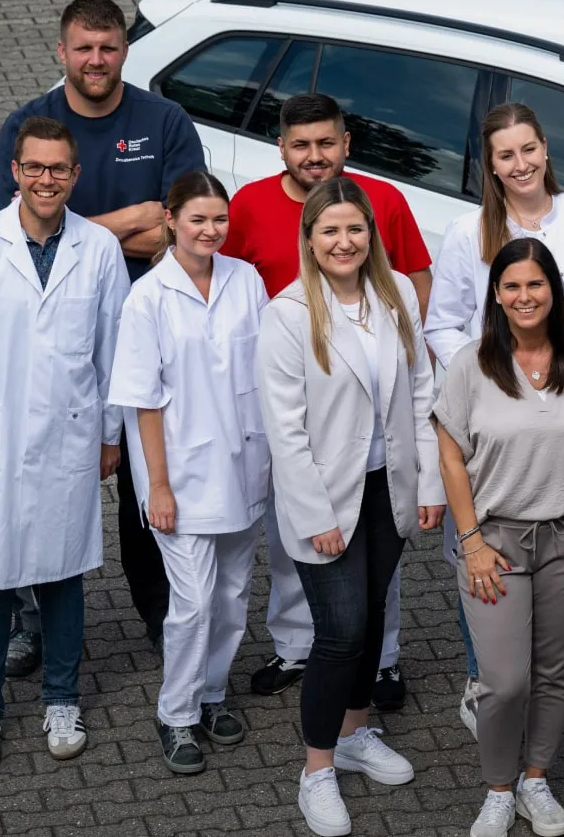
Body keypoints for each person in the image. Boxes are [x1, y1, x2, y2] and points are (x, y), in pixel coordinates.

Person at [0, 0, 207, 671]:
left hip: (152, 331)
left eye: (107, 47)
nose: (95, 60)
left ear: (124, 51)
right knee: (43, 484)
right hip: (56, 336)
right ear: (62, 51)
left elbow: (182, 229)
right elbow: (20, 236)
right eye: (83, 48)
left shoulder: (164, 121)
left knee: (149, 481)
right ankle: (32, 619)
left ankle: (162, 614)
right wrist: (134, 217)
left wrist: (81, 229)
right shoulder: (28, 126)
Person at [0, 116, 128, 771]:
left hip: (70, 435)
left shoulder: (99, 248)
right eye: (34, 167)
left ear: (75, 175)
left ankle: (61, 699)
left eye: (58, 168)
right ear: (15, 171)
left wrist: (111, 434)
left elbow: (115, 348)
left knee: (64, 575)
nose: (46, 179)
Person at [223, 92, 435, 706]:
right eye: (301, 144)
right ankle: (297, 647)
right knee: (297, 538)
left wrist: (394, 351)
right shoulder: (250, 204)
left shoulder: (382, 200)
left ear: (346, 142)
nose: (314, 155)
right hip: (293, 391)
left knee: (377, 558)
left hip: (368, 391)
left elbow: (415, 278)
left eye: (325, 142)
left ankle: (382, 660)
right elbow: (231, 284)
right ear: (281, 148)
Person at [424, 102, 564, 732]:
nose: (521, 164)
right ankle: (483, 675)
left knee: (562, 544)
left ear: (546, 149)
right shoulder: (468, 232)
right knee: (489, 544)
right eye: (505, 155)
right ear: (490, 166)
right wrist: (489, 378)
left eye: (528, 149)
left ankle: (549, 672)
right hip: (500, 420)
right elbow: (442, 322)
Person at [258, 177, 442, 837]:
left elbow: (421, 393)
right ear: (309, 239)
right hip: (326, 499)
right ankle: (317, 769)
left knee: (370, 617)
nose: (344, 241)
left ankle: (357, 732)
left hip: (386, 488)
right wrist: (316, 517)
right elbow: (285, 430)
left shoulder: (395, 300)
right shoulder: (287, 314)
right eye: (330, 230)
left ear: (371, 235)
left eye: (355, 229)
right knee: (339, 633)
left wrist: (428, 484)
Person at [434, 237, 564, 837]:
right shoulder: (471, 364)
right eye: (512, 286)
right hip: (494, 545)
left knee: (555, 673)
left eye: (535, 284)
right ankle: (498, 788)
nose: (524, 296)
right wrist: (470, 541)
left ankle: (535, 780)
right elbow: (450, 456)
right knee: (504, 680)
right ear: (496, 294)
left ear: (554, 290)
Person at [106, 171, 271, 774]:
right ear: (171, 220)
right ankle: (176, 714)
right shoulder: (147, 298)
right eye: (197, 219)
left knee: (231, 597)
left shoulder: (245, 280)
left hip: (245, 467)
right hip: (181, 478)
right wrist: (158, 485)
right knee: (194, 602)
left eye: (219, 219)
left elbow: (268, 371)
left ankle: (212, 694)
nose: (210, 230)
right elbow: (142, 402)